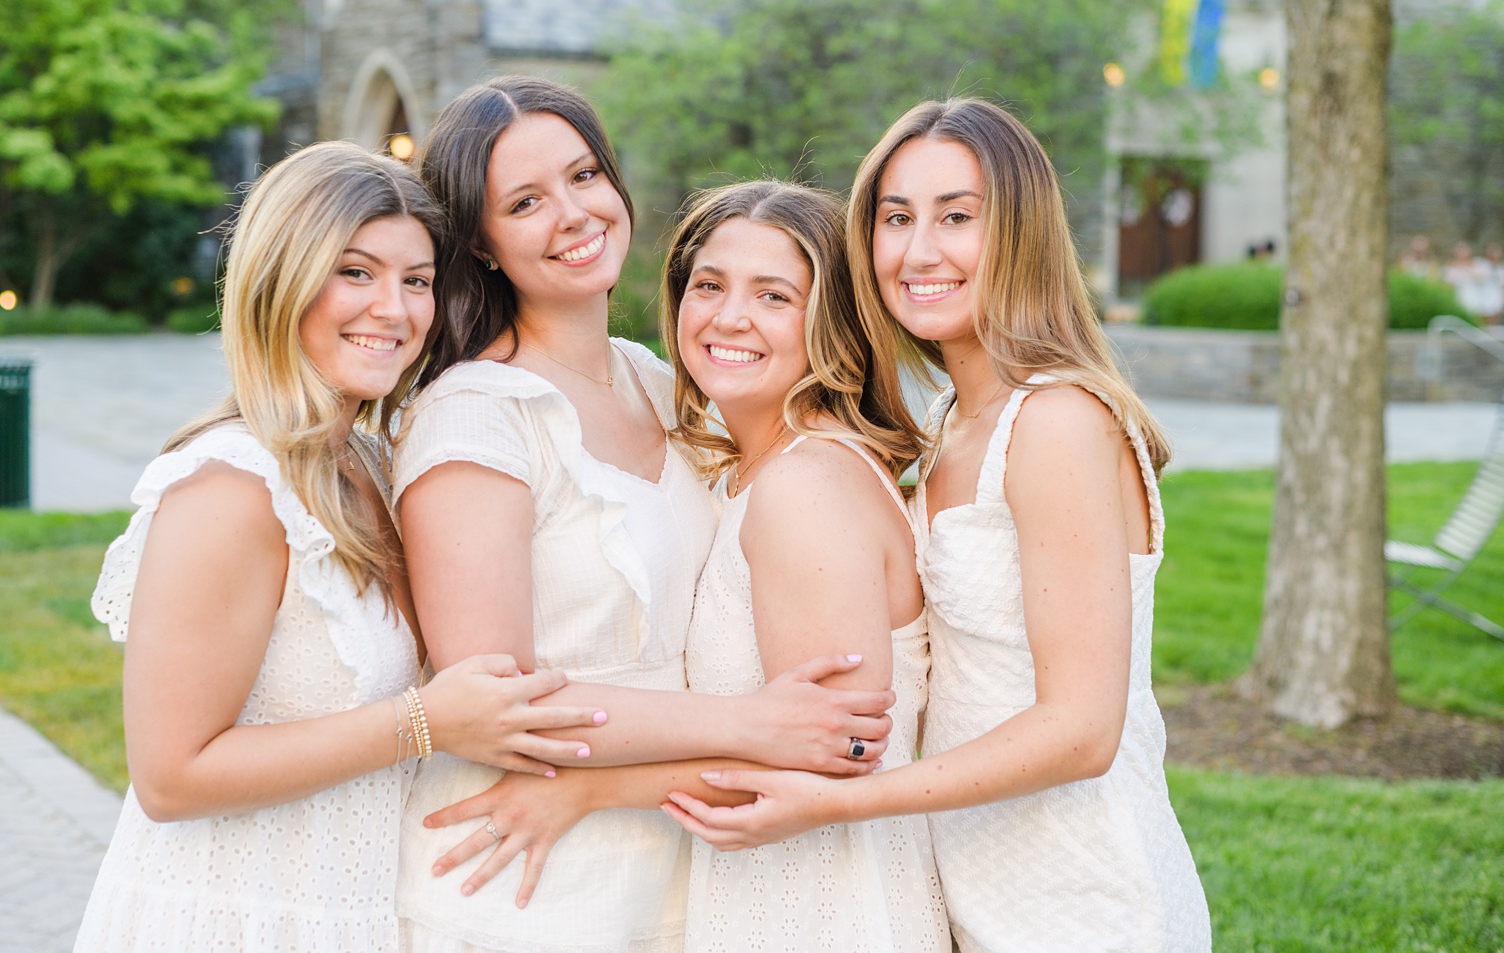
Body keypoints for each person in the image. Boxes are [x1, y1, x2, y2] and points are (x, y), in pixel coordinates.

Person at [670, 98, 1211, 951]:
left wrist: (846, 801)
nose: (919, 251)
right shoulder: (959, 418)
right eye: (895, 218)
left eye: (956, 217)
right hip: (973, 877)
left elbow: (1082, 730)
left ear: (1021, 232)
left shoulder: (1058, 419)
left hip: (1078, 891)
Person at [391, 78, 894, 953]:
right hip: (526, 888)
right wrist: (748, 723)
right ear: (479, 238)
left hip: (687, 865)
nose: (573, 213)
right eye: (525, 201)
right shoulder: (477, 417)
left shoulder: (662, 384)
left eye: (585, 175)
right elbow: (493, 705)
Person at [73, 140, 604, 953]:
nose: (394, 310)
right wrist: (423, 722)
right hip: (230, 917)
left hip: (355, 911)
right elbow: (170, 776)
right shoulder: (231, 488)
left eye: (416, 280)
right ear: (281, 279)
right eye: (355, 272)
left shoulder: (372, 462)